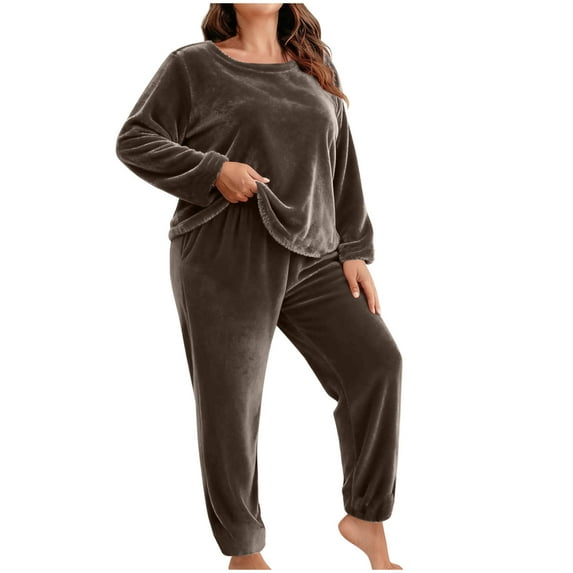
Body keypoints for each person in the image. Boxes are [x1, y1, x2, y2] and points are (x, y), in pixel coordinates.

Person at [115, 3, 403, 570]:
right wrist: (213, 170)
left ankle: (366, 519)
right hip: (224, 251)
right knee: (232, 406)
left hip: (315, 253)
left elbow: (342, 162)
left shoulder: (314, 67)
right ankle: (245, 554)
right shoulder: (193, 66)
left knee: (377, 363)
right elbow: (135, 139)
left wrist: (354, 249)